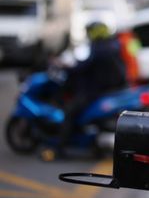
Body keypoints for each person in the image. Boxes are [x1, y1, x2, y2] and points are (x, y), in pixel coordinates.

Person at [42, 21, 128, 160]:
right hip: (106, 89)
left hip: (94, 92)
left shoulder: (99, 48)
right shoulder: (111, 45)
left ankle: (59, 149)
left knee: (69, 113)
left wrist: (65, 66)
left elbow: (84, 66)